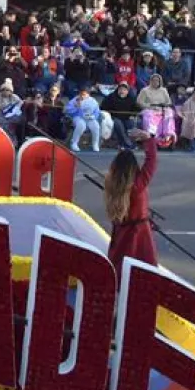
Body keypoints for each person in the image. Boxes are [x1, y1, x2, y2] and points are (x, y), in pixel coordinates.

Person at [104, 130, 158, 277]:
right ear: (133, 167)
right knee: (143, 271)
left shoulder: (111, 184)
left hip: (121, 232)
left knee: (119, 266)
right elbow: (151, 161)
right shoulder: (137, 186)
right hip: (139, 233)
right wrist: (148, 139)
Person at [102, 82, 139, 150]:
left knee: (131, 124)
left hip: (127, 118)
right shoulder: (111, 97)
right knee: (118, 124)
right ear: (117, 90)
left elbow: (137, 109)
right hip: (114, 117)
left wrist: (133, 115)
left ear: (127, 91)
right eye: (120, 89)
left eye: (124, 90)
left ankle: (123, 144)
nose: (122, 91)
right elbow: (103, 107)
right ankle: (128, 144)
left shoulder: (131, 98)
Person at [65, 87, 102, 152]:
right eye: (81, 94)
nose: (82, 95)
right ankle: (74, 143)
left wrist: (93, 116)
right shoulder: (75, 100)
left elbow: (97, 111)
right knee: (81, 125)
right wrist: (77, 107)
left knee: (96, 126)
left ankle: (95, 144)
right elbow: (68, 110)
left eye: (84, 94)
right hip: (78, 117)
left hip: (89, 118)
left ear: (88, 94)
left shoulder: (93, 101)